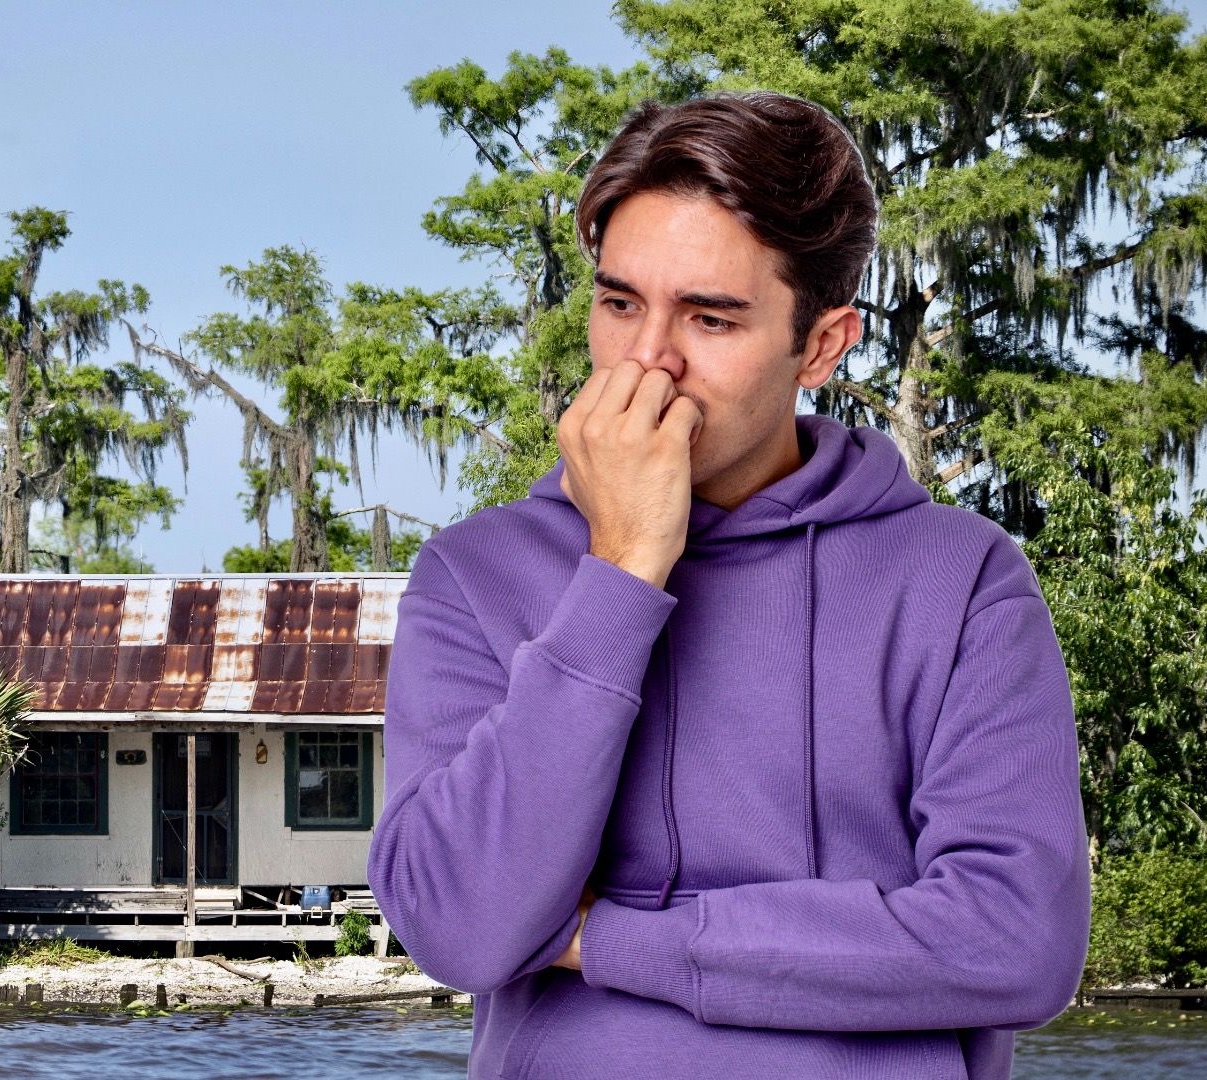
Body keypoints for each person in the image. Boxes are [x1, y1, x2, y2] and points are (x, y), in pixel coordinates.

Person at [364, 91, 1090, 1080]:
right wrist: (620, 571)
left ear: (825, 345)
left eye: (709, 317)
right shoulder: (474, 576)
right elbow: (460, 929)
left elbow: (1016, 940)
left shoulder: (960, 583)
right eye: (619, 303)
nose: (648, 360)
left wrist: (605, 942)